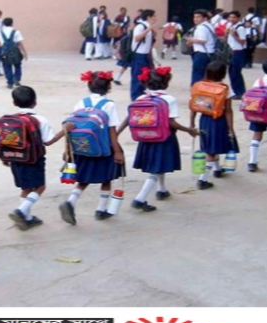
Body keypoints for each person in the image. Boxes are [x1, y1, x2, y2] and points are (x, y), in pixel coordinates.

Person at [59, 71, 125, 225]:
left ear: (89, 85)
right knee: (106, 178)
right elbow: (112, 131)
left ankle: (70, 201)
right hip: (103, 148)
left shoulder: (81, 103)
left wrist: (68, 149)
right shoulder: (109, 105)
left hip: (82, 147)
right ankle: (101, 210)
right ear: (109, 86)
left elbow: (72, 126)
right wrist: (117, 151)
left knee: (84, 178)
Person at [126, 66, 198, 202]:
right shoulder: (169, 99)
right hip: (164, 138)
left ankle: (161, 189)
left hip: (146, 136)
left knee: (159, 165)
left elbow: (129, 116)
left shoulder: (141, 97)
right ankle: (140, 199)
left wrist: (118, 132)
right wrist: (189, 130)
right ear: (166, 83)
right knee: (156, 169)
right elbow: (171, 122)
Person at [5, 86, 66, 230]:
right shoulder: (40, 120)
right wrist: (64, 131)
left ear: (14, 103)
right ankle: (20, 211)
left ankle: (27, 218)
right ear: (35, 101)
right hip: (34, 160)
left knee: (26, 187)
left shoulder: (12, 120)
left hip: (16, 159)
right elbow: (48, 141)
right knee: (40, 187)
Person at [189, 61, 235, 189]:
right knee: (212, 151)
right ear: (223, 74)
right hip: (218, 121)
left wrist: (192, 123)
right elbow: (228, 110)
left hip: (204, 120)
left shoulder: (199, 86)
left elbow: (193, 107)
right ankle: (202, 180)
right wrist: (230, 128)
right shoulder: (225, 89)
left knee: (210, 145)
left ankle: (217, 169)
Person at [0, 17, 28, 89]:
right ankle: (17, 79)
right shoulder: (16, 32)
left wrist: (2, 45)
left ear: (3, 24)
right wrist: (24, 52)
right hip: (15, 51)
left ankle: (10, 83)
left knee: (7, 67)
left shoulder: (0, 32)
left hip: (5, 52)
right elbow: (20, 42)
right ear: (12, 23)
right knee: (17, 65)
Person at [129, 9, 156, 101]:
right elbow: (137, 38)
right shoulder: (140, 26)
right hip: (139, 54)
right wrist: (148, 30)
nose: (155, 18)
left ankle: (141, 91)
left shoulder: (148, 26)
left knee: (146, 74)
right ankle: (135, 95)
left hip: (146, 54)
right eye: (154, 16)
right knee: (137, 75)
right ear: (149, 17)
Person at [186, 9, 216, 86]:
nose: (195, 19)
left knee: (198, 74)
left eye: (198, 17)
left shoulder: (201, 27)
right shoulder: (209, 26)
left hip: (202, 53)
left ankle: (196, 89)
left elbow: (203, 40)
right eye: (194, 17)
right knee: (206, 74)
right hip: (209, 52)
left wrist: (191, 40)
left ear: (205, 18)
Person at [226, 10, 247, 98]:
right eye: (230, 17)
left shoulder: (240, 28)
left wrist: (234, 35)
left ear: (238, 18)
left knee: (236, 73)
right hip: (230, 51)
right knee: (231, 72)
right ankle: (235, 91)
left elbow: (242, 41)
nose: (231, 19)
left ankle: (240, 92)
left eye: (234, 17)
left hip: (238, 51)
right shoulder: (230, 26)